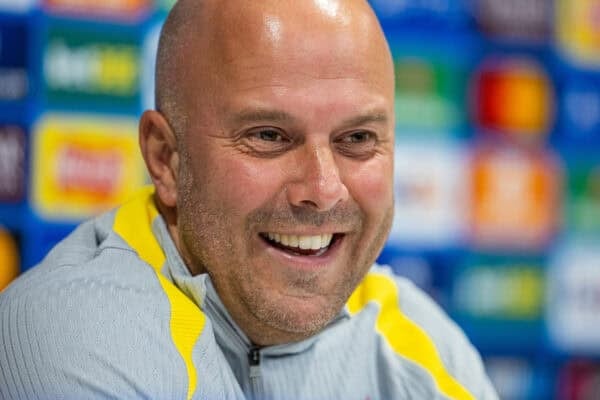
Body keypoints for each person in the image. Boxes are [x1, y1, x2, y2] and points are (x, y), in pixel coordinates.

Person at [0, 0, 498, 399]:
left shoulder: (423, 346)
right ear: (166, 158)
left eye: (358, 139)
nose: (323, 190)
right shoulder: (75, 335)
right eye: (269, 135)